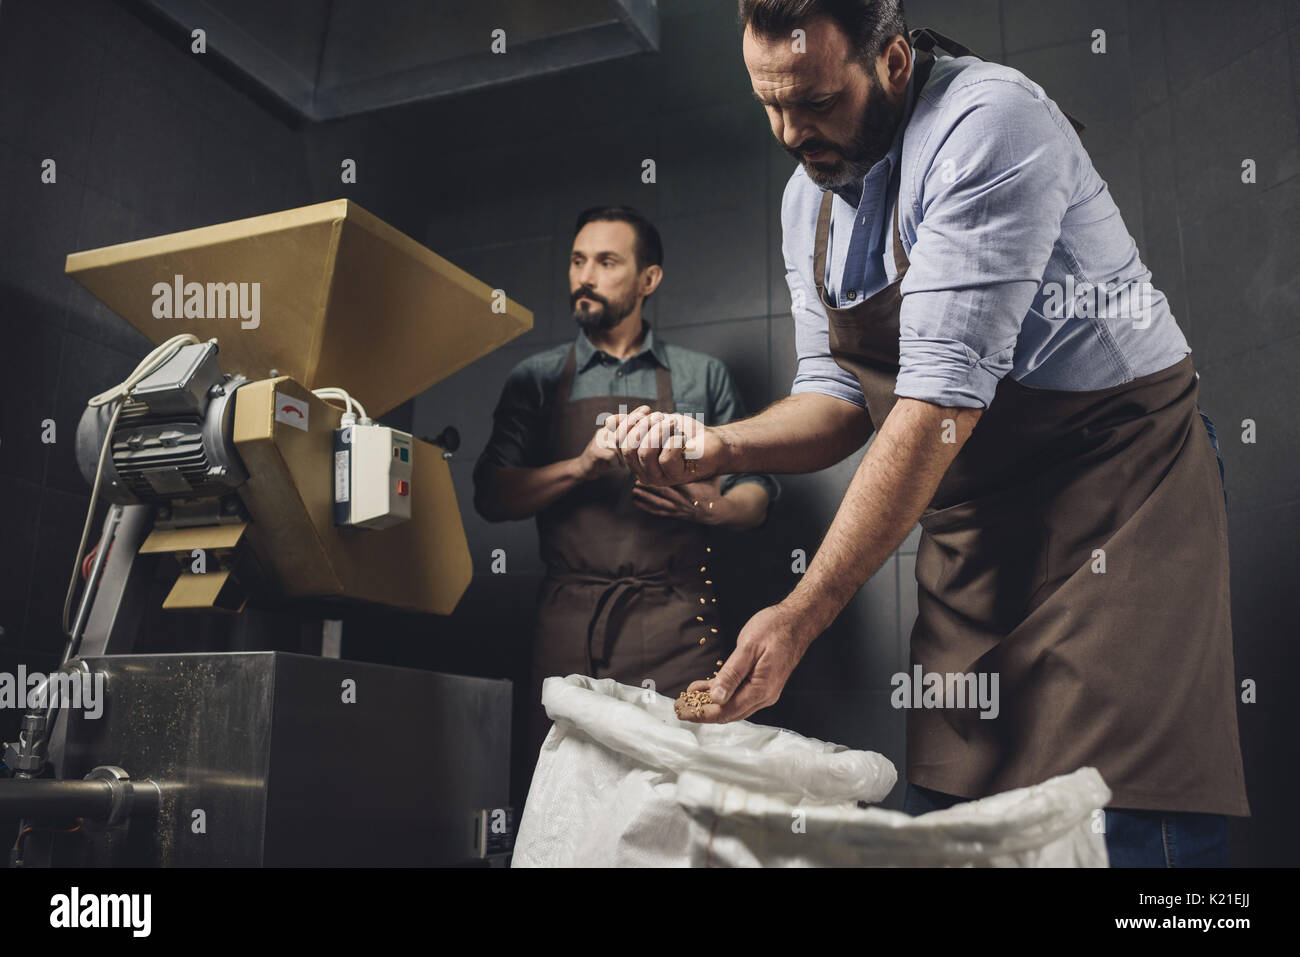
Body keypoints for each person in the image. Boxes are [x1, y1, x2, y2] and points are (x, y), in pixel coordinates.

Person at [609, 2, 1247, 867]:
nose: (792, 133)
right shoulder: (811, 202)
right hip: (974, 522)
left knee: (1121, 809)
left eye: (817, 102)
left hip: (1117, 493)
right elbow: (838, 397)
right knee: (954, 811)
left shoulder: (992, 122)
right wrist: (719, 446)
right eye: (770, 104)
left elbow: (938, 403)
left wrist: (802, 612)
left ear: (895, 62)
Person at [473, 205, 778, 764]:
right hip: (570, 621)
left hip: (680, 621)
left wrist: (713, 509)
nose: (584, 277)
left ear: (648, 279)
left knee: (684, 786)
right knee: (564, 791)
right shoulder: (536, 379)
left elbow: (755, 495)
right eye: (577, 261)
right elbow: (491, 494)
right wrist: (582, 466)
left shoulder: (700, 375)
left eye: (606, 262)